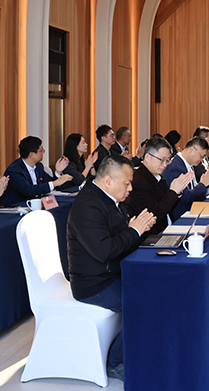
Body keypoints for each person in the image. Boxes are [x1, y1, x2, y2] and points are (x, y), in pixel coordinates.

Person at [67, 155, 157, 381]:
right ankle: (116, 362)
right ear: (108, 181)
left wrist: (138, 229)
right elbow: (105, 251)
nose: (130, 188)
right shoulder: (88, 206)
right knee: (144, 304)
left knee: (158, 288)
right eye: (127, 183)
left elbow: (119, 239)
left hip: (113, 273)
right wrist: (134, 231)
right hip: (94, 284)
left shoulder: (108, 199)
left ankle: (145, 351)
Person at [123, 136, 194, 235]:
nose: (164, 165)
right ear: (147, 157)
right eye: (161, 160)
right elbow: (155, 214)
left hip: (167, 228)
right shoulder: (138, 182)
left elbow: (168, 205)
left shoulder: (158, 177)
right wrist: (173, 191)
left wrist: (177, 191)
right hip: (152, 236)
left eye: (167, 160)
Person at [162, 137, 209, 222]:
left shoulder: (187, 164)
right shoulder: (175, 168)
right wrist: (203, 184)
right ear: (191, 150)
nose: (202, 160)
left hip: (191, 210)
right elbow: (186, 198)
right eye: (202, 156)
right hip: (181, 217)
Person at [2, 136, 73, 206]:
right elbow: (28, 190)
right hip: (18, 206)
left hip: (36, 203)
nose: (43, 153)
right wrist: (55, 183)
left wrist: (58, 173)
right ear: (32, 155)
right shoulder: (14, 170)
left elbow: (48, 182)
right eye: (41, 150)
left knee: (63, 205)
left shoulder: (38, 166)